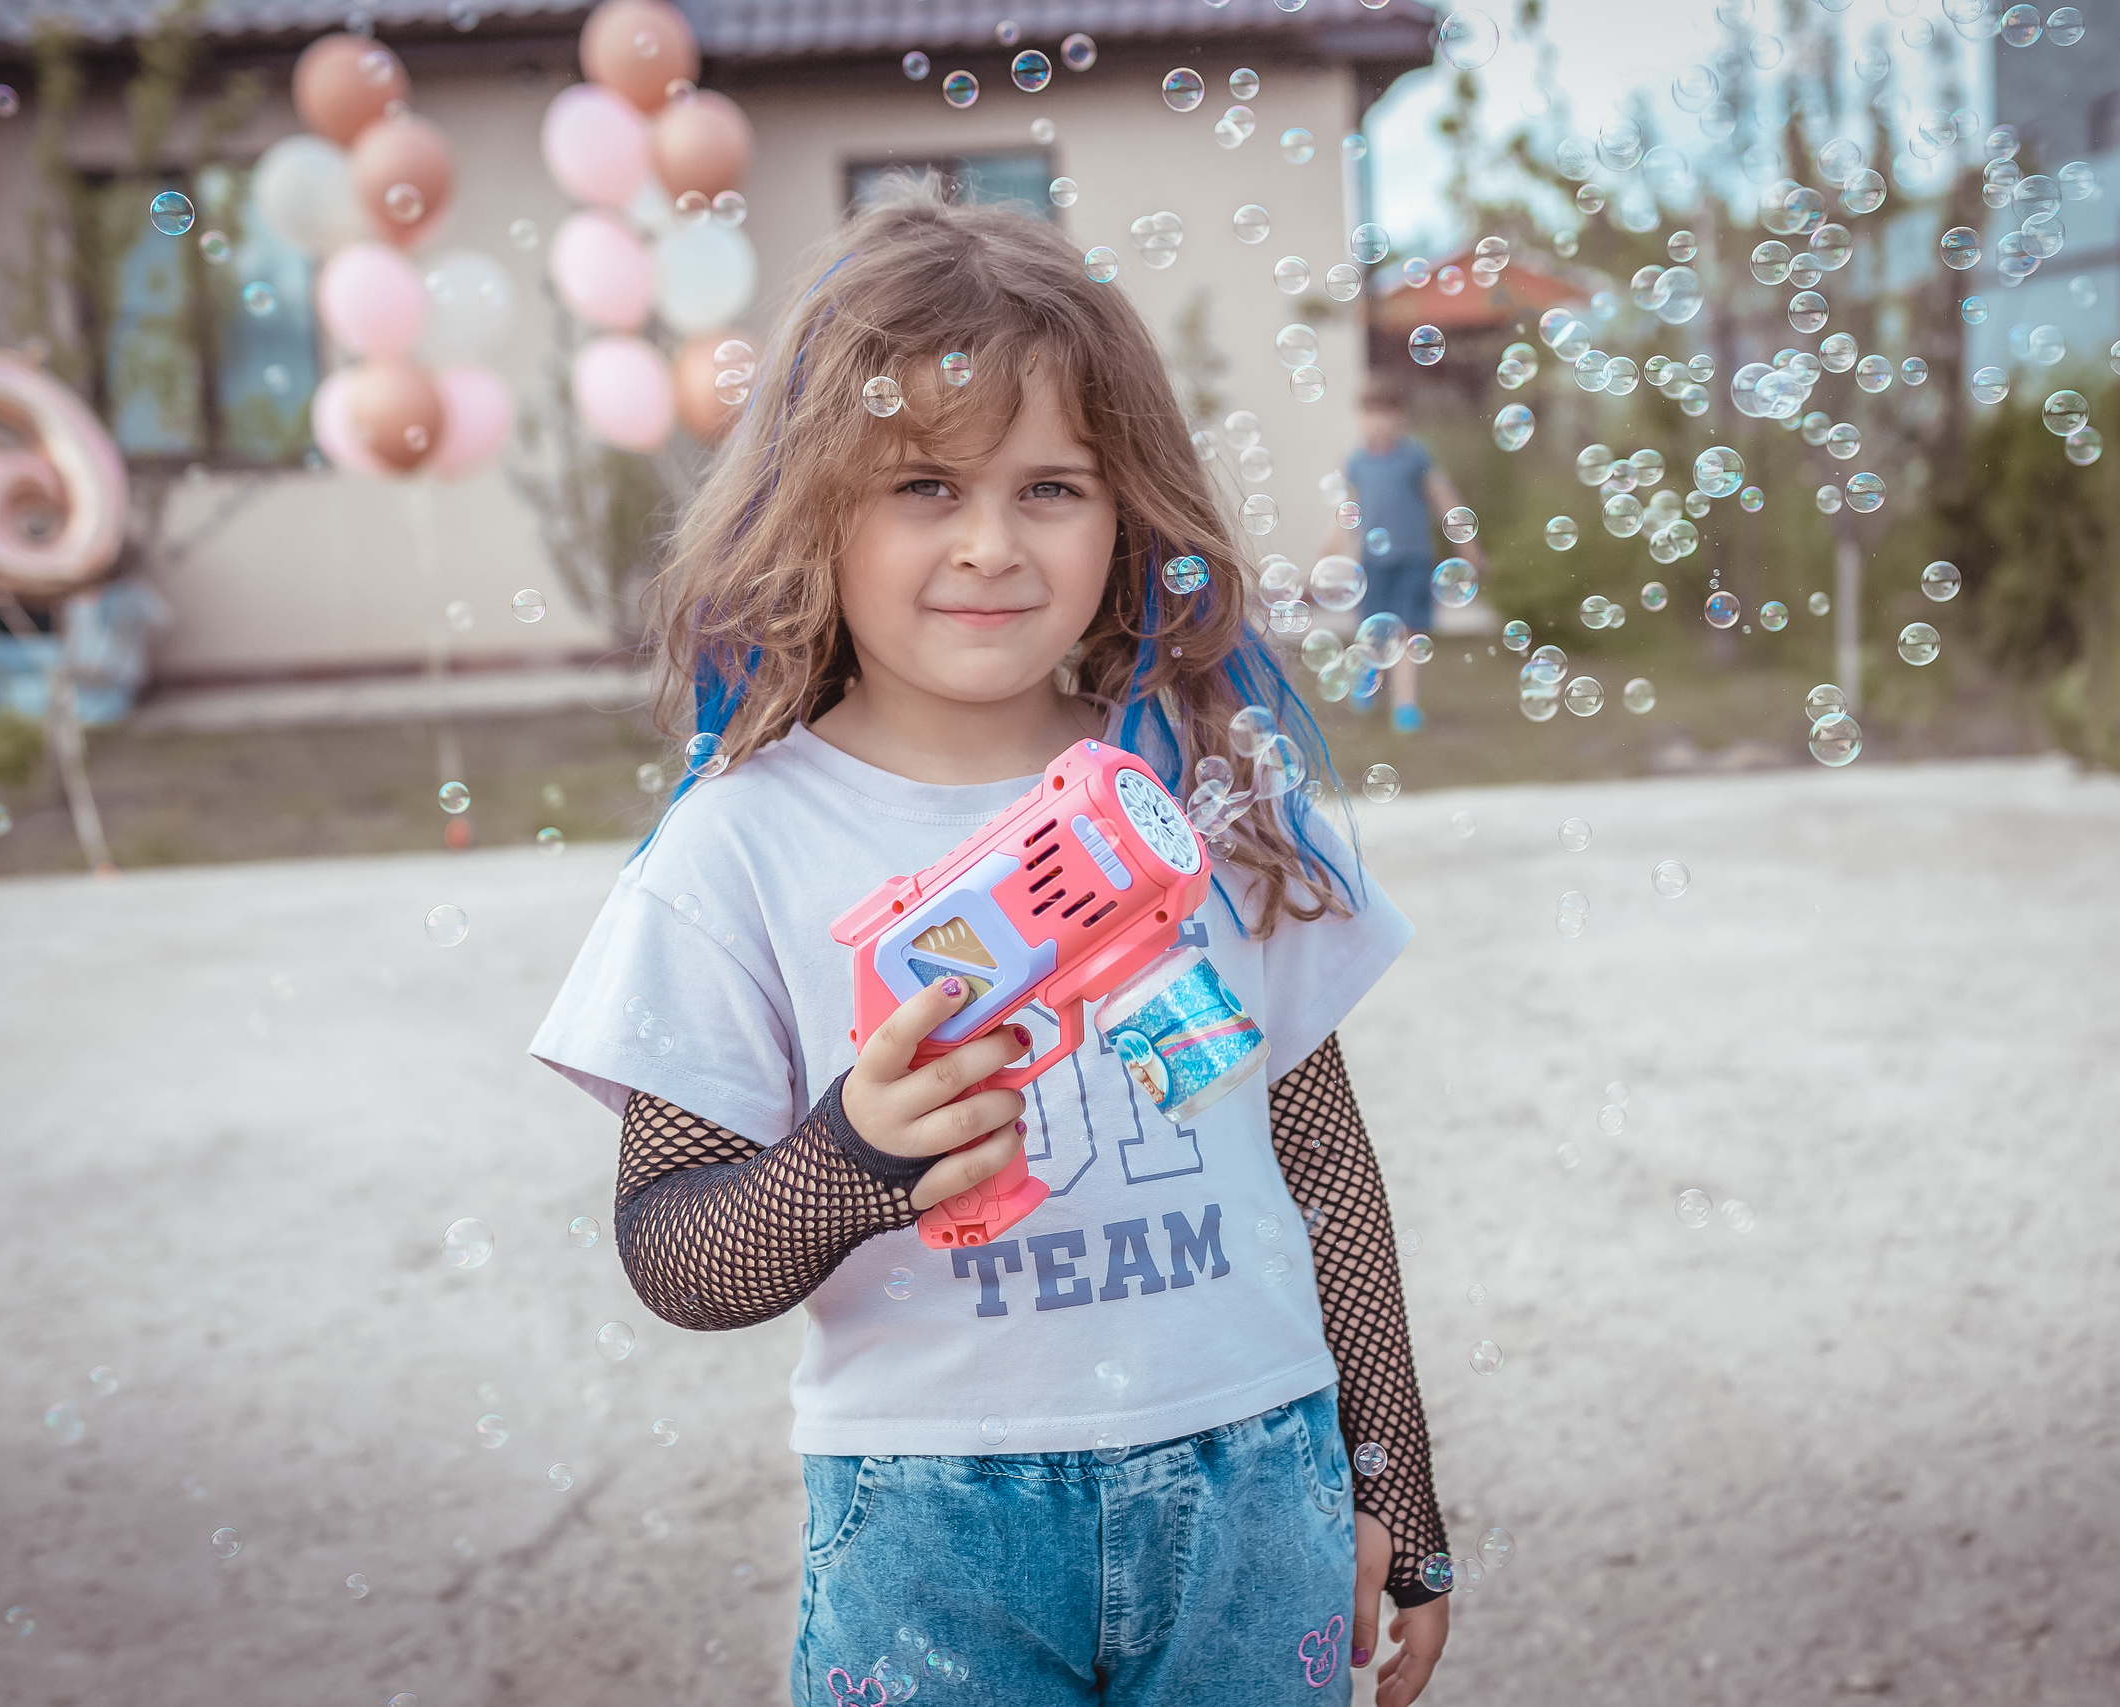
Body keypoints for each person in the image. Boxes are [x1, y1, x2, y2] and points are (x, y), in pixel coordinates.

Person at [531, 180, 1454, 1707]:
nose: (990, 543)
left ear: (1128, 509)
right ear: (816, 508)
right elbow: (674, 1248)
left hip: (1258, 1480)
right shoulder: (740, 846)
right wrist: (854, 1154)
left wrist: (1393, 1476)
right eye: (924, 485)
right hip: (932, 1513)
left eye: (1051, 487)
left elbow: (1323, 1158)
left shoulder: (1202, 796)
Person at [1321, 379, 1482, 734]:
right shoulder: (1357, 461)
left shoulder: (1415, 456)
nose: (1378, 421)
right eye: (1371, 413)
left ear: (1401, 417)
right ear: (1361, 417)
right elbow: (1348, 507)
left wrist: (1466, 541)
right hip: (1373, 563)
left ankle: (1405, 707)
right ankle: (1368, 676)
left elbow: (1442, 496)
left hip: (1413, 560)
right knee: (1373, 632)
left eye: (1386, 412)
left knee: (1408, 633)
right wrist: (1333, 543)